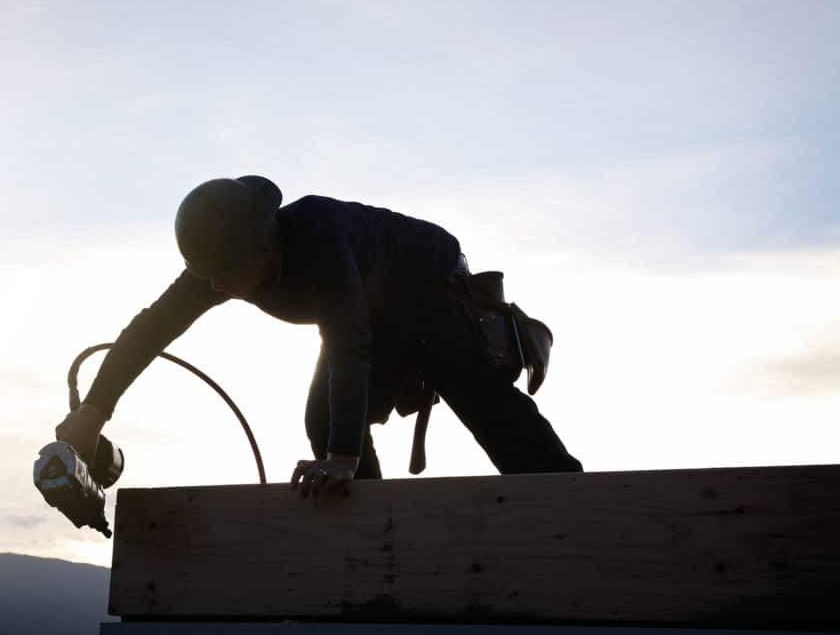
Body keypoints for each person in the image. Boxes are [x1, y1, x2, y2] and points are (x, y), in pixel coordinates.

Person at [55, 176, 582, 497]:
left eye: (225, 276)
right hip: (373, 312)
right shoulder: (219, 261)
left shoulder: (319, 236)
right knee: (325, 420)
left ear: (264, 248)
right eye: (207, 277)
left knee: (476, 394)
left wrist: (343, 459)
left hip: (430, 288)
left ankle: (566, 495)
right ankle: (379, 537)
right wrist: (95, 410)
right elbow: (151, 328)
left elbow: (348, 341)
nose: (216, 288)